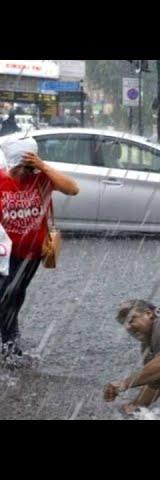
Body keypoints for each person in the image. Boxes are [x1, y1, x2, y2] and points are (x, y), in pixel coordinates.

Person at [0, 137, 79, 361]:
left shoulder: (42, 179)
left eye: (28, 167)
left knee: (15, 296)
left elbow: (73, 189)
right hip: (5, 254)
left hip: (32, 254)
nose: (23, 173)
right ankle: (9, 348)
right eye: (19, 168)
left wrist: (42, 166)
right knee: (7, 297)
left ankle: (9, 340)